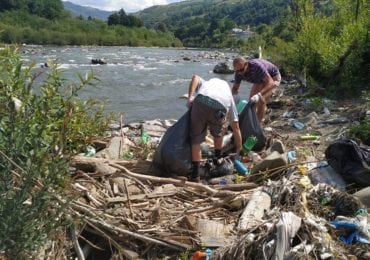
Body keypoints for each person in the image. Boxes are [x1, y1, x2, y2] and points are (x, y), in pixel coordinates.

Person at [187, 75, 242, 182]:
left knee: (196, 139)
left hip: (201, 100)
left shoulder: (206, 83)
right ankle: (217, 158)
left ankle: (195, 175)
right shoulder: (228, 96)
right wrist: (239, 150)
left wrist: (190, 97)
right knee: (218, 133)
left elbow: (194, 77)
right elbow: (236, 126)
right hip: (219, 107)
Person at [232, 56, 281, 123]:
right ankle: (252, 121)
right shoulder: (238, 72)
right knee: (252, 102)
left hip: (273, 78)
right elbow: (235, 88)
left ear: (246, 64)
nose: (239, 73)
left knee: (261, 99)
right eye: (237, 71)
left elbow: (270, 82)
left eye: (241, 70)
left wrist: (258, 94)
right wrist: (232, 98)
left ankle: (257, 125)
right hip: (259, 79)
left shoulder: (256, 67)